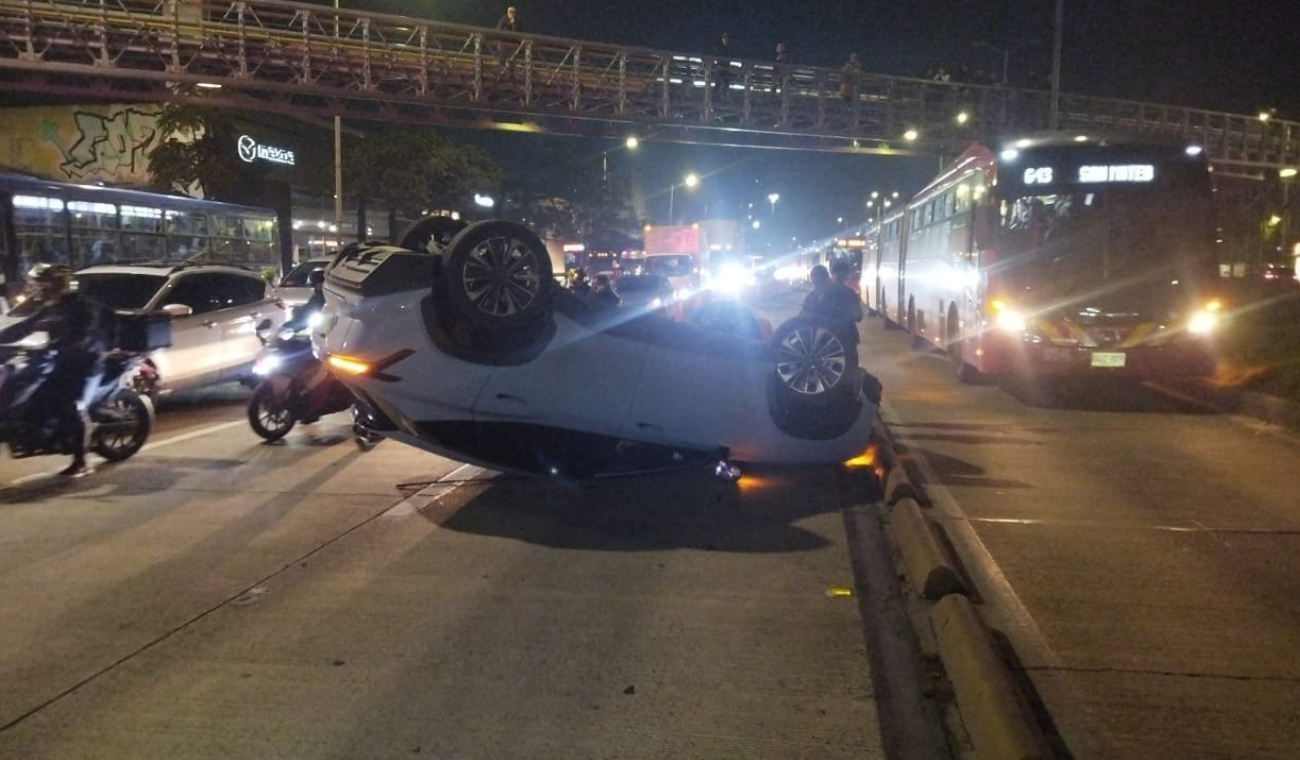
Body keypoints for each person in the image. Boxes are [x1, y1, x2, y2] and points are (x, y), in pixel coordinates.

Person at [0, 264, 115, 477]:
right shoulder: (51, 308)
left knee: (73, 406)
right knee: (31, 390)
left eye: (46, 284)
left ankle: (82, 461)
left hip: (86, 364)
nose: (41, 288)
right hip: (60, 361)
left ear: (59, 284)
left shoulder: (84, 307)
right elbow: (23, 328)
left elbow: (85, 335)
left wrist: (66, 344)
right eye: (39, 284)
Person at [801, 263, 863, 367]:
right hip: (827, 345)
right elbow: (801, 319)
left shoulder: (845, 294)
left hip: (840, 342)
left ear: (827, 280)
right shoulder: (812, 298)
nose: (817, 286)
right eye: (815, 284)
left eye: (819, 283)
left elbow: (857, 316)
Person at [714, 32, 733, 101]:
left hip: (726, 68)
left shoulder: (728, 48)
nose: (725, 40)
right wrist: (718, 65)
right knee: (718, 82)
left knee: (726, 82)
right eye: (724, 38)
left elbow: (730, 58)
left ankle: (724, 96)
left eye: (726, 38)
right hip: (720, 68)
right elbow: (716, 57)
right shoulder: (719, 48)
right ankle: (716, 97)